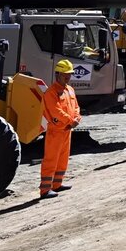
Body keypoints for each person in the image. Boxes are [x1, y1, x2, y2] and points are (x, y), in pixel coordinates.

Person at [40, 59, 82, 198]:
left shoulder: (69, 90)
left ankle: (57, 185)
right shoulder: (51, 92)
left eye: (69, 74)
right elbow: (55, 111)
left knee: (63, 159)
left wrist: (76, 118)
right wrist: (71, 121)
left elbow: (76, 106)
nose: (68, 77)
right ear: (57, 74)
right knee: (51, 159)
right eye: (65, 74)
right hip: (56, 131)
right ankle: (45, 190)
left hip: (67, 130)